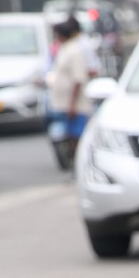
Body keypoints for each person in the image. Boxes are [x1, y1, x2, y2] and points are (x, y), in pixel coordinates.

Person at [45, 18, 91, 172]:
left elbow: (78, 79)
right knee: (70, 135)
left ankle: (80, 168)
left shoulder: (75, 51)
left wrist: (73, 105)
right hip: (63, 103)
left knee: (77, 137)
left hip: (76, 104)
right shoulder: (64, 49)